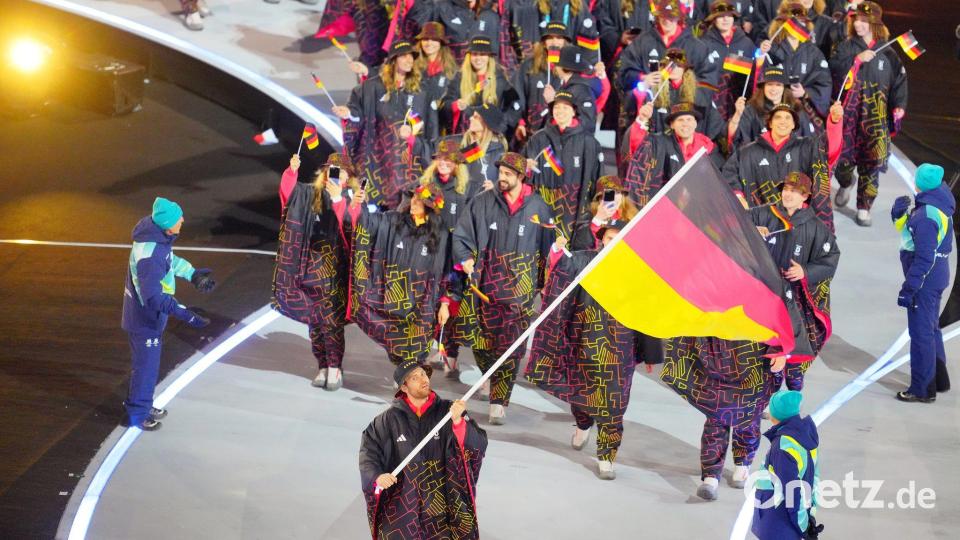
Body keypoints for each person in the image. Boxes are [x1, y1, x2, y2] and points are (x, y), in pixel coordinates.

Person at [526, 218, 659, 480]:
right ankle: (583, 423)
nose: (614, 243)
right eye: (610, 238)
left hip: (622, 350)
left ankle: (607, 456)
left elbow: (647, 312)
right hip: (583, 343)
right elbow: (561, 270)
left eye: (620, 238)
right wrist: (556, 251)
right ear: (601, 239)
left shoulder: (639, 271)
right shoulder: (583, 261)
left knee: (615, 406)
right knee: (582, 395)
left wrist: (650, 351)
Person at [452, 152, 555, 424]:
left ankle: (499, 400)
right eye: (501, 172)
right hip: (485, 287)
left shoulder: (538, 208)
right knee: (482, 344)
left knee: (511, 348)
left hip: (520, 292)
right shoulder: (482, 202)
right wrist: (468, 261)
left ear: (521, 176)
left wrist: (545, 284)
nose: (502, 177)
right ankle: (488, 375)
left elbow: (549, 249)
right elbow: (462, 235)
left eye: (509, 173)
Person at [359, 359, 487, 538]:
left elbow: (478, 444)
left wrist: (458, 422)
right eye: (414, 377)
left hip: (443, 503)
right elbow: (369, 453)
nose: (423, 379)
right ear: (404, 388)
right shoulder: (386, 421)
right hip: (403, 505)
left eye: (423, 374)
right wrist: (377, 476)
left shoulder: (449, 411)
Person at [121, 198, 215, 430]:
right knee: (146, 367)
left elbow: (170, 261)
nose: (183, 220)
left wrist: (193, 274)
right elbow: (153, 297)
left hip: (151, 316)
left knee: (148, 366)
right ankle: (138, 414)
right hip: (144, 319)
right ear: (167, 224)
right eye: (178, 218)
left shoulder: (158, 239)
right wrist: (184, 313)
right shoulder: (150, 254)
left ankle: (141, 403)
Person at [350, 180, 458, 367]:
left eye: (419, 200)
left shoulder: (442, 235)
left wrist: (445, 303)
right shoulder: (394, 220)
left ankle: (409, 382)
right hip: (391, 298)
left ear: (430, 208)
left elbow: (448, 271)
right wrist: (362, 204)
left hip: (422, 305)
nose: (413, 203)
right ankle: (404, 374)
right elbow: (368, 223)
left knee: (416, 352)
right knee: (396, 350)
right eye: (413, 198)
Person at [273, 153, 357, 390]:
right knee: (314, 325)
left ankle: (334, 367)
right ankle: (322, 364)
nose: (335, 175)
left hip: (336, 276)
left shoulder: (352, 198)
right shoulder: (311, 195)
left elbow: (353, 227)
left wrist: (339, 199)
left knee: (331, 324)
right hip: (309, 272)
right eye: (331, 170)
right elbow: (289, 195)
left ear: (348, 177)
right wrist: (292, 172)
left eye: (340, 171)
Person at [751, 172, 839, 392]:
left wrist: (805, 271)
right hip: (762, 294)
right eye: (786, 189)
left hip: (794, 301)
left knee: (793, 359)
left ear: (805, 197)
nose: (788, 194)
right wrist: (752, 231)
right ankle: (761, 400)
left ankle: (791, 403)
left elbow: (831, 257)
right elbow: (731, 225)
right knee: (762, 354)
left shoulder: (816, 227)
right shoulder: (761, 214)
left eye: (795, 191)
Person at [829, 1, 908, 227]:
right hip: (849, 119)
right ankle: (845, 183)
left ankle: (864, 206)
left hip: (876, 119)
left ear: (875, 24)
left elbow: (900, 81)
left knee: (871, 164)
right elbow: (834, 69)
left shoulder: (888, 52)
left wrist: (899, 105)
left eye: (865, 21)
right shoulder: (845, 47)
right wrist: (856, 61)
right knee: (843, 163)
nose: (860, 25)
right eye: (858, 20)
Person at [334, 40, 435, 209]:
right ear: (393, 60)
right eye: (404, 56)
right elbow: (357, 111)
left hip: (409, 164)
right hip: (379, 162)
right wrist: (349, 113)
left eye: (412, 56)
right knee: (378, 212)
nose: (409, 60)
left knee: (406, 210)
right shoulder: (372, 87)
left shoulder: (421, 92)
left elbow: (431, 128)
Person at [722, 101, 843, 230]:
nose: (782, 121)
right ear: (770, 123)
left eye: (787, 118)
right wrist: (738, 197)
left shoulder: (806, 147)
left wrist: (834, 123)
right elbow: (729, 173)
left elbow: (828, 149)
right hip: (760, 226)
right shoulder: (748, 151)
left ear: (793, 125)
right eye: (778, 117)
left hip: (797, 225)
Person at [893, 164, 955, 403]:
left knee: (920, 334)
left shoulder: (927, 214)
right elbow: (911, 235)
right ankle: (939, 379)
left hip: (925, 281)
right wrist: (899, 217)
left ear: (918, 183)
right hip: (936, 277)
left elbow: (924, 255)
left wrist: (910, 287)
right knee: (931, 327)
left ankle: (922, 388)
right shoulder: (937, 204)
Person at [523, 89, 603, 238]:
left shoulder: (589, 142)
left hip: (574, 213)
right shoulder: (538, 139)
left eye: (565, 107)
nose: (560, 111)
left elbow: (598, 179)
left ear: (574, 112)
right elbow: (523, 175)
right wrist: (525, 168)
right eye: (557, 107)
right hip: (542, 210)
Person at [621, 101, 725, 205]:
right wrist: (642, 120)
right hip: (664, 205)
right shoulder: (659, 142)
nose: (685, 123)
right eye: (680, 120)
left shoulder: (708, 148)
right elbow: (637, 147)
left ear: (695, 123)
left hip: (697, 208)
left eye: (689, 119)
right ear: (672, 125)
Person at [752, 390, 823, 540]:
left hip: (778, 521)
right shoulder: (806, 435)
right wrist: (810, 515)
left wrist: (803, 526)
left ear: (774, 414)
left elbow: (792, 490)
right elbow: (814, 478)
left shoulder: (783, 447)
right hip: (793, 519)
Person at [756, 3, 833, 123]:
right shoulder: (771, 48)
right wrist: (760, 54)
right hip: (773, 110)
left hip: (803, 112)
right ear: (783, 24)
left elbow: (824, 82)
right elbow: (758, 77)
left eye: (802, 22)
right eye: (793, 22)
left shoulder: (814, 52)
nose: (798, 25)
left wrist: (805, 93)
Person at [727, 64, 817, 151]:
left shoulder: (797, 109)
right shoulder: (751, 109)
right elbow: (735, 139)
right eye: (770, 84)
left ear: (784, 88)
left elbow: (808, 143)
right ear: (763, 87)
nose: (773, 89)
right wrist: (738, 115)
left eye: (778, 85)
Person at [444, 35, 521, 135]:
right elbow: (445, 104)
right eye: (475, 54)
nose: (478, 58)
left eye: (483, 54)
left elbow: (515, 105)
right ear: (469, 56)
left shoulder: (500, 79)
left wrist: (501, 124)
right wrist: (455, 105)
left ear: (489, 57)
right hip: (466, 136)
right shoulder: (459, 78)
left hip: (491, 137)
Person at [697, 1, 757, 123]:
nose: (725, 19)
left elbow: (752, 78)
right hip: (712, 105)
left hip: (739, 103)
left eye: (729, 16)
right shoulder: (702, 44)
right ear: (713, 19)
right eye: (720, 16)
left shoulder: (746, 43)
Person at [513, 22, 573, 139]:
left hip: (562, 132)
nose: (554, 42)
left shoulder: (572, 67)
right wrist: (520, 122)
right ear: (544, 43)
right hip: (532, 132)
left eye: (559, 38)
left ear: (565, 42)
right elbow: (518, 94)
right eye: (550, 38)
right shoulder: (529, 65)